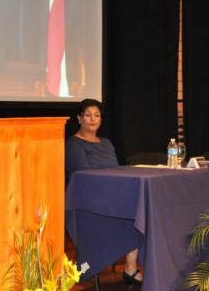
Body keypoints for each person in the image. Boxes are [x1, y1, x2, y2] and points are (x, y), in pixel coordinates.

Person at [65, 99, 142, 287]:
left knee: (141, 210)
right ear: (79, 118)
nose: (93, 119)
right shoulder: (74, 144)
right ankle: (129, 268)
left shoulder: (106, 143)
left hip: (111, 195)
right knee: (133, 214)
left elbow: (114, 170)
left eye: (97, 115)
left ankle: (130, 267)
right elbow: (85, 177)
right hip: (91, 202)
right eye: (88, 115)